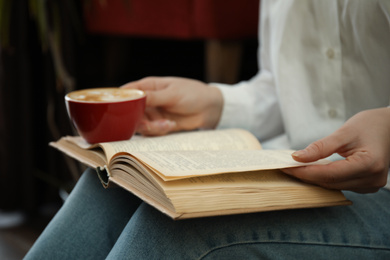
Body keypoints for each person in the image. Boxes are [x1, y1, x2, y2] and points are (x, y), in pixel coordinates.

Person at [25, 0, 390, 259]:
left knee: (177, 232)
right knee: (112, 183)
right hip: (292, 165)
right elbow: (288, 88)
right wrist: (214, 102)